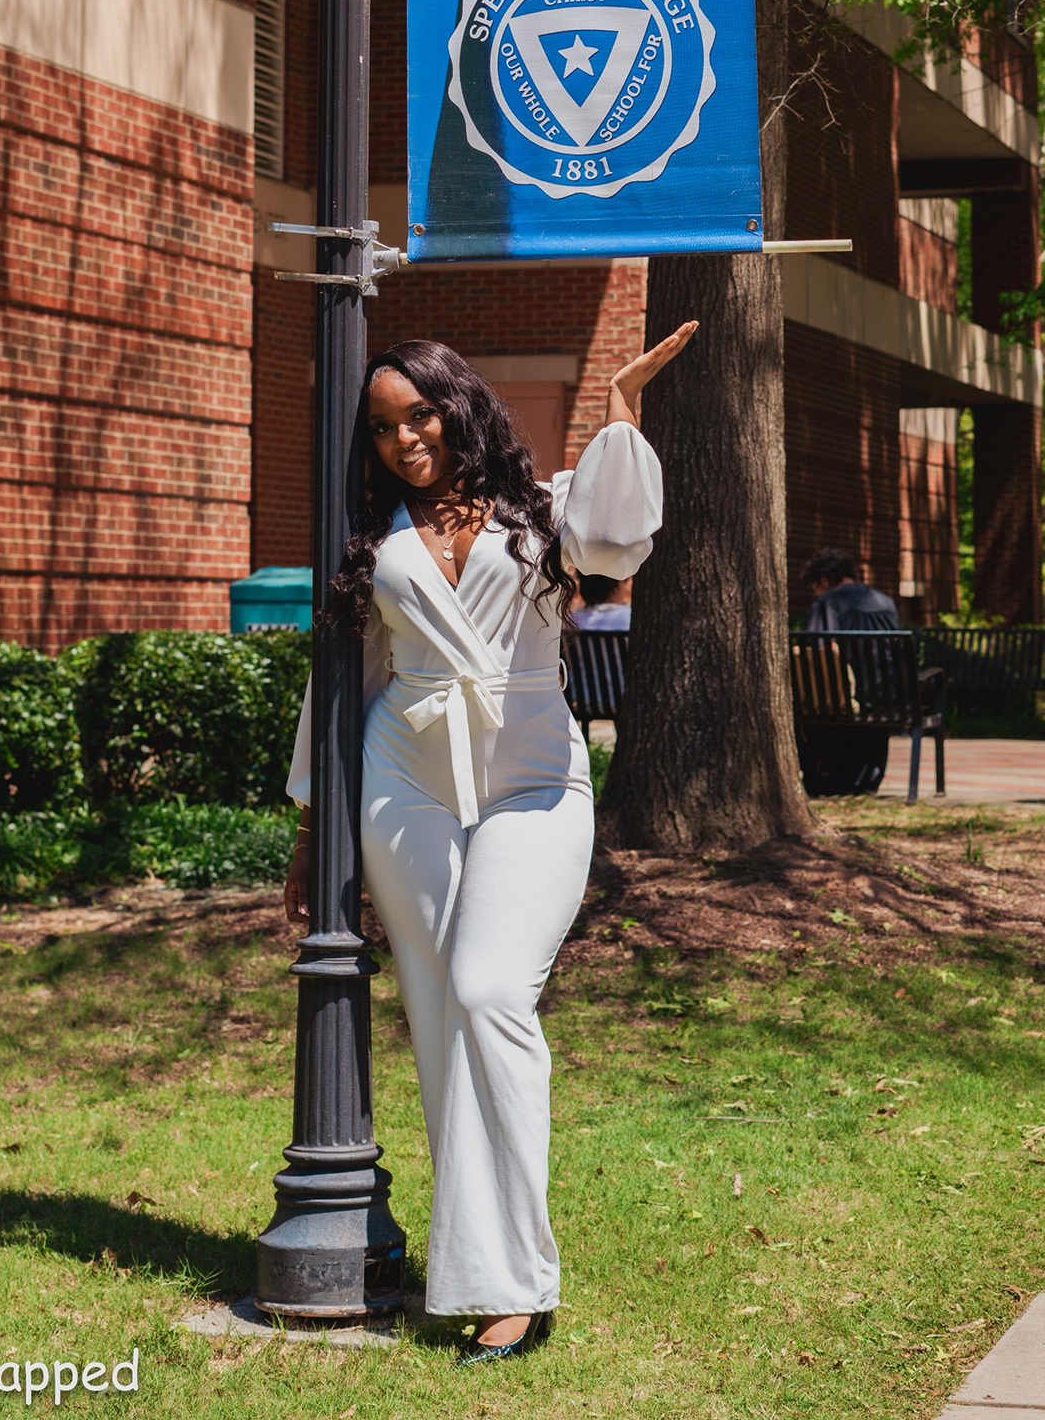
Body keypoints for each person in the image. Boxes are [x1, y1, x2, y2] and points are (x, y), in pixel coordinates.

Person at [282, 323, 696, 1363]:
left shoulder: (541, 509)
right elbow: (342, 684)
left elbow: (613, 546)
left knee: (487, 989)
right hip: (405, 772)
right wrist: (307, 832)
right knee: (436, 1020)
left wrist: (620, 407)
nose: (403, 438)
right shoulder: (375, 539)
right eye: (382, 427)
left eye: (417, 413)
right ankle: (476, 1274)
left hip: (530, 775)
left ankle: (522, 1279)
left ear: (456, 405)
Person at [801, 547, 901, 633]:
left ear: (824, 581)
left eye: (815, 588)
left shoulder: (827, 604)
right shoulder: (888, 603)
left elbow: (819, 649)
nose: (816, 594)